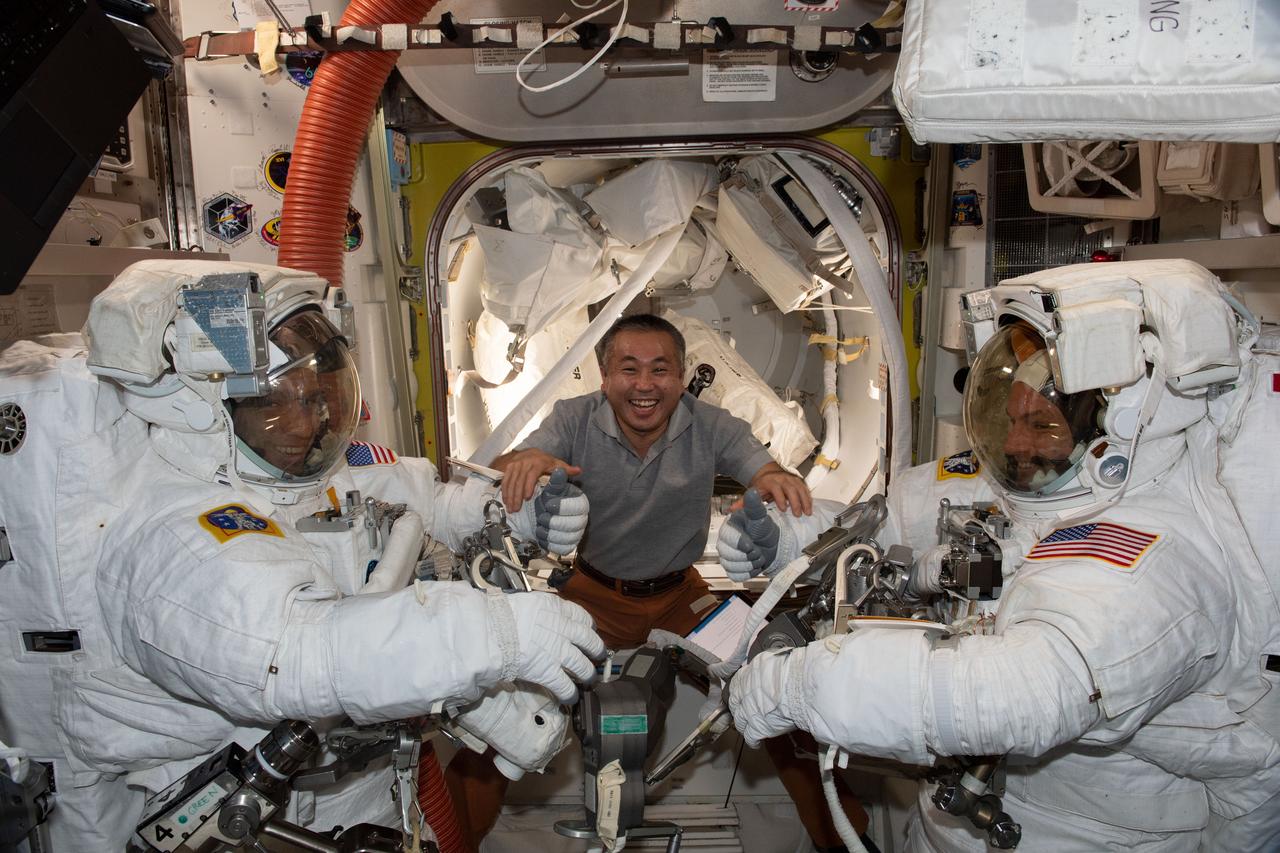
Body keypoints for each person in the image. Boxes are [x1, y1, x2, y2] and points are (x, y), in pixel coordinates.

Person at [0, 260, 605, 851]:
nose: (306, 421)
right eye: (275, 403)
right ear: (205, 409)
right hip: (270, 819)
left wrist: (515, 512)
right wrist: (490, 634)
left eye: (318, 397)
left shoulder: (302, 477)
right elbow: (300, 651)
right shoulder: (176, 535)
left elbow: (423, 501)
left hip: (368, 795)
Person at [721, 260, 1280, 852]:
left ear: (1112, 427)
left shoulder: (1155, 554)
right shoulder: (1012, 485)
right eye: (1011, 420)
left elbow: (1023, 693)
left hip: (1079, 834)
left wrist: (805, 686)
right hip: (950, 820)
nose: (1014, 443)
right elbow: (881, 530)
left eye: (1040, 425)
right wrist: (789, 540)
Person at [446, 313, 876, 853]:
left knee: (778, 694)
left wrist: (775, 481)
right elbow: (512, 463)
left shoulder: (712, 424)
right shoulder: (573, 419)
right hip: (593, 597)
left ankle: (848, 843)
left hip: (683, 597)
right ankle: (454, 842)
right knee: (509, 713)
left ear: (680, 376)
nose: (644, 384)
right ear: (605, 377)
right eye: (629, 369)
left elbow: (763, 469)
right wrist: (526, 460)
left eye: (660, 369)